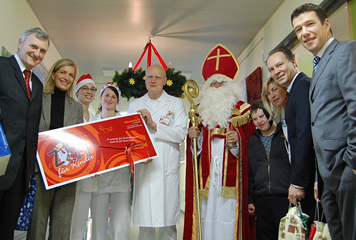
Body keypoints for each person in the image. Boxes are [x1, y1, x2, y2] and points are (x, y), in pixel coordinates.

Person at [0, 27, 50, 240]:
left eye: (42, 51)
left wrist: (28, 172)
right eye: (33, 46)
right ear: (20, 43)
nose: (37, 53)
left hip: (20, 173)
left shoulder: (37, 83)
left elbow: (32, 129)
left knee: (5, 230)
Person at [291, 3, 356, 240]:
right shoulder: (317, 66)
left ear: (326, 24)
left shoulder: (346, 51)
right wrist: (320, 177)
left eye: (310, 24)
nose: (304, 33)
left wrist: (352, 164)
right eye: (298, 29)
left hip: (346, 169)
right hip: (328, 174)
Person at [183, 46, 255, 240]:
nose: (216, 86)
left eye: (221, 82)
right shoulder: (198, 113)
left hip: (231, 179)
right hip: (206, 181)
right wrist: (193, 140)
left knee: (228, 217)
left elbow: (251, 148)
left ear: (230, 85)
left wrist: (237, 142)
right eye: (212, 83)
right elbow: (194, 154)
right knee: (206, 217)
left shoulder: (244, 112)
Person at [127, 64, 187, 240]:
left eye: (157, 77)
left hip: (166, 170)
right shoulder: (135, 105)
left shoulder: (176, 103)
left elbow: (181, 134)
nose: (153, 80)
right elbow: (130, 139)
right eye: (149, 77)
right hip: (145, 169)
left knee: (168, 223)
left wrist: (154, 125)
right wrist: (138, 156)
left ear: (165, 81)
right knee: (146, 223)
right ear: (144, 80)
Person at [27, 58, 83, 239]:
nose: (67, 78)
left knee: (62, 226)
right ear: (53, 74)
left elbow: (79, 141)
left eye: (71, 75)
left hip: (67, 173)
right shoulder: (37, 99)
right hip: (40, 171)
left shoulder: (76, 107)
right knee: (37, 225)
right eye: (63, 72)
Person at [266, 47, 315, 224]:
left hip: (309, 178)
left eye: (280, 65)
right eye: (271, 69)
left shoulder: (302, 86)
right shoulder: (293, 90)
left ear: (293, 61)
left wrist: (298, 182)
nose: (276, 72)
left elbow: (304, 136)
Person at [88, 82, 132, 240]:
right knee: (99, 227)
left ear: (118, 101)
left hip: (121, 181)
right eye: (106, 95)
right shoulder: (91, 123)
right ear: (100, 97)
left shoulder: (126, 123)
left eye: (114, 96)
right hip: (98, 181)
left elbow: (132, 148)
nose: (109, 99)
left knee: (120, 225)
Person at [248, 101, 290, 239]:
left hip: (285, 199)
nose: (259, 121)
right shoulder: (253, 141)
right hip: (262, 201)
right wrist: (250, 199)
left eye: (262, 116)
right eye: (255, 119)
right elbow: (251, 172)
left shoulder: (284, 135)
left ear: (269, 114)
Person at [70, 73, 98, 240]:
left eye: (92, 89)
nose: (89, 92)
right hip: (70, 173)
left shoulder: (95, 120)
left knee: (81, 218)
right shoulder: (69, 113)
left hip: (89, 175)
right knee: (67, 217)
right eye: (85, 88)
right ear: (77, 92)